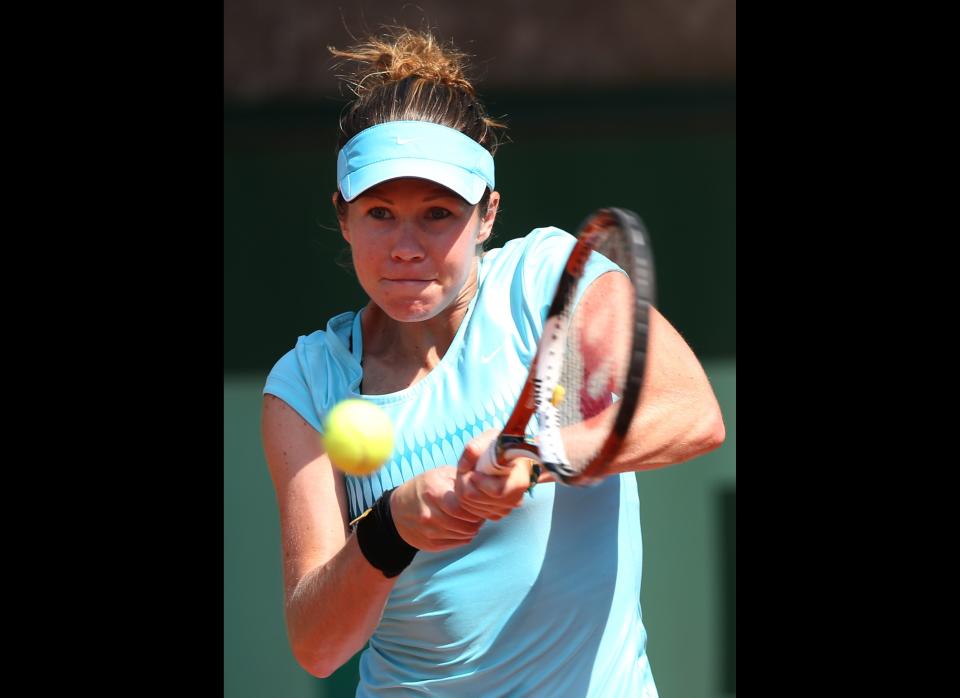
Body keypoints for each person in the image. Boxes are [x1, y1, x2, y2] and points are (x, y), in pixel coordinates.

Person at [261, 27, 724, 697]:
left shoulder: (546, 285)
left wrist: (538, 453)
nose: (406, 246)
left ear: (487, 215)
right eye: (380, 212)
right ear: (344, 217)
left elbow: (691, 414)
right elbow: (318, 645)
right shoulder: (305, 384)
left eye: (439, 213)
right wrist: (393, 528)